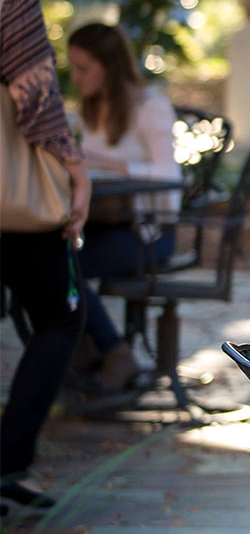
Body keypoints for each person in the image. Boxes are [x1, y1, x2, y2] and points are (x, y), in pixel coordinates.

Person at [0, 0, 90, 515]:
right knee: (60, 319)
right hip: (14, 207)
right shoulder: (13, 3)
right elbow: (37, 101)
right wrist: (75, 171)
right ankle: (7, 460)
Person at [67, 22, 183, 390]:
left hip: (149, 230)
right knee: (45, 258)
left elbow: (169, 173)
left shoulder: (150, 106)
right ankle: (84, 354)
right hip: (104, 221)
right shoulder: (94, 108)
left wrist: (112, 166)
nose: (76, 77)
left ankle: (113, 352)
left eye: (84, 68)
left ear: (109, 66)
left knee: (61, 267)